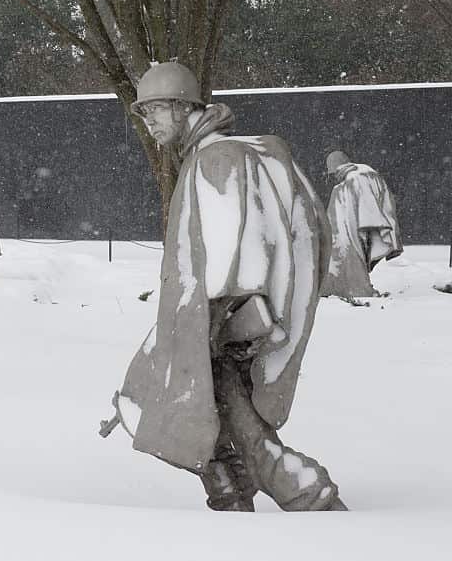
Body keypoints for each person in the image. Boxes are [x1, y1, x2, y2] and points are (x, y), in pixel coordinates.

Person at [103, 62, 346, 512]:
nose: (148, 121)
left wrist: (210, 322)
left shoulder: (215, 158)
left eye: (155, 109)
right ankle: (235, 493)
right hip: (230, 314)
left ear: (183, 106)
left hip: (222, 316)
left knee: (203, 406)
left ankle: (300, 490)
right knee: (211, 410)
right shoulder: (239, 154)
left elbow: (232, 249)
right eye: (143, 113)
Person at [320, 150, 402, 298]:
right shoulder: (368, 172)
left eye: (333, 174)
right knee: (354, 253)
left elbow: (346, 215)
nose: (335, 178)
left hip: (358, 225)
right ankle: (347, 283)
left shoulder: (350, 181)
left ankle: (351, 286)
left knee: (349, 252)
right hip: (371, 221)